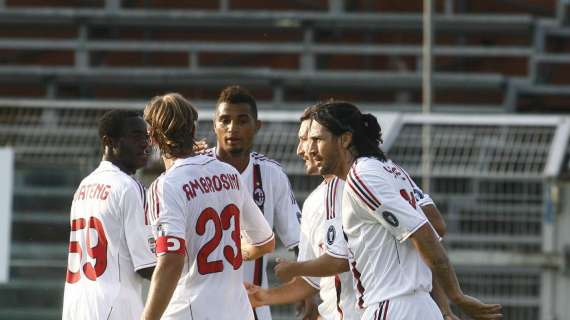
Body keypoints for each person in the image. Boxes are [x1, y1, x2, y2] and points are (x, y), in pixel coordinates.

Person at [305, 101, 503, 320]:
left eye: (318, 139)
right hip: (422, 306)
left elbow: (423, 233)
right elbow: (434, 223)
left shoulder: (361, 177)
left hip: (392, 306)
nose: (310, 149)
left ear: (345, 139)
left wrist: (456, 295)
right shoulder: (392, 170)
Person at [141, 93, 275, 320]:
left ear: (152, 137)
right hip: (238, 312)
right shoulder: (229, 173)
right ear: (193, 129)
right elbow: (265, 242)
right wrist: (227, 254)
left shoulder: (166, 185)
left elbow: (171, 262)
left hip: (190, 311)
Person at [247, 106, 362, 320]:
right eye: (302, 140)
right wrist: (263, 296)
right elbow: (311, 281)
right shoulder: (314, 202)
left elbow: (339, 261)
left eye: (309, 139)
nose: (301, 149)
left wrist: (293, 268)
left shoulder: (361, 183)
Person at [206, 85, 302, 320]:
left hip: (252, 307)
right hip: (202, 306)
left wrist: (305, 290)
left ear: (256, 126)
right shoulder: (194, 172)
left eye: (242, 120)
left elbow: (299, 241)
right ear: (214, 125)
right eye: (225, 120)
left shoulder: (271, 174)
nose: (232, 128)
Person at [62, 110, 156, 320]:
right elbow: (146, 266)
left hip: (76, 306)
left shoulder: (83, 187)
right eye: (136, 136)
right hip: (114, 307)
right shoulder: (128, 187)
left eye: (146, 137)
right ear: (109, 141)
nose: (145, 144)